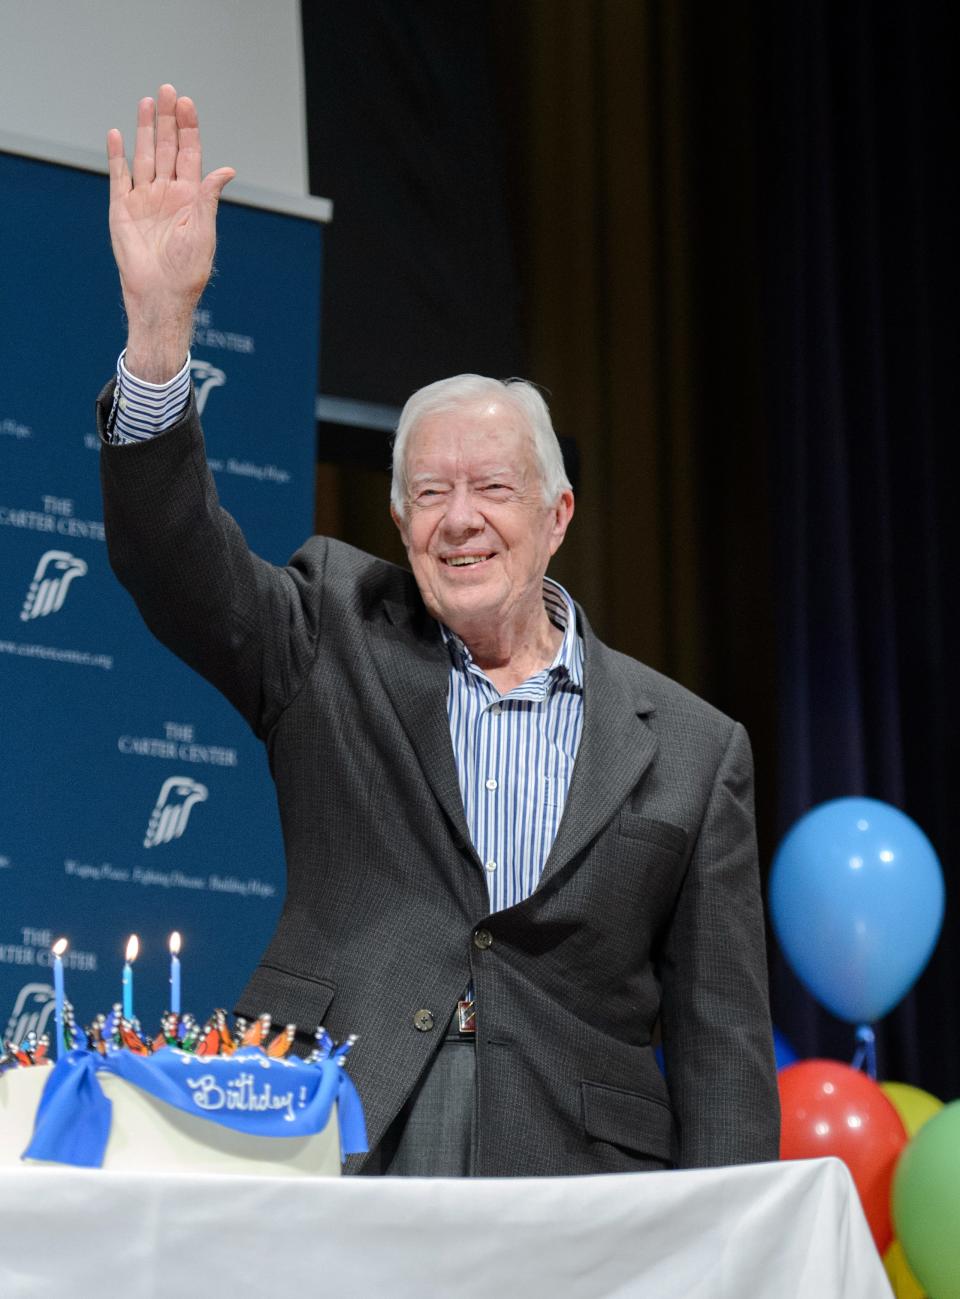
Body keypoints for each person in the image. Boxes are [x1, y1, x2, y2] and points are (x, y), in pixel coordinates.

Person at [99, 85, 780, 1176]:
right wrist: (160, 330)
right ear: (399, 520)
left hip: (574, 1181)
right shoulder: (330, 628)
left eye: (493, 489)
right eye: (430, 493)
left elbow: (725, 1052)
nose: (460, 518)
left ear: (556, 516)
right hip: (341, 1134)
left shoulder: (696, 752)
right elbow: (170, 559)